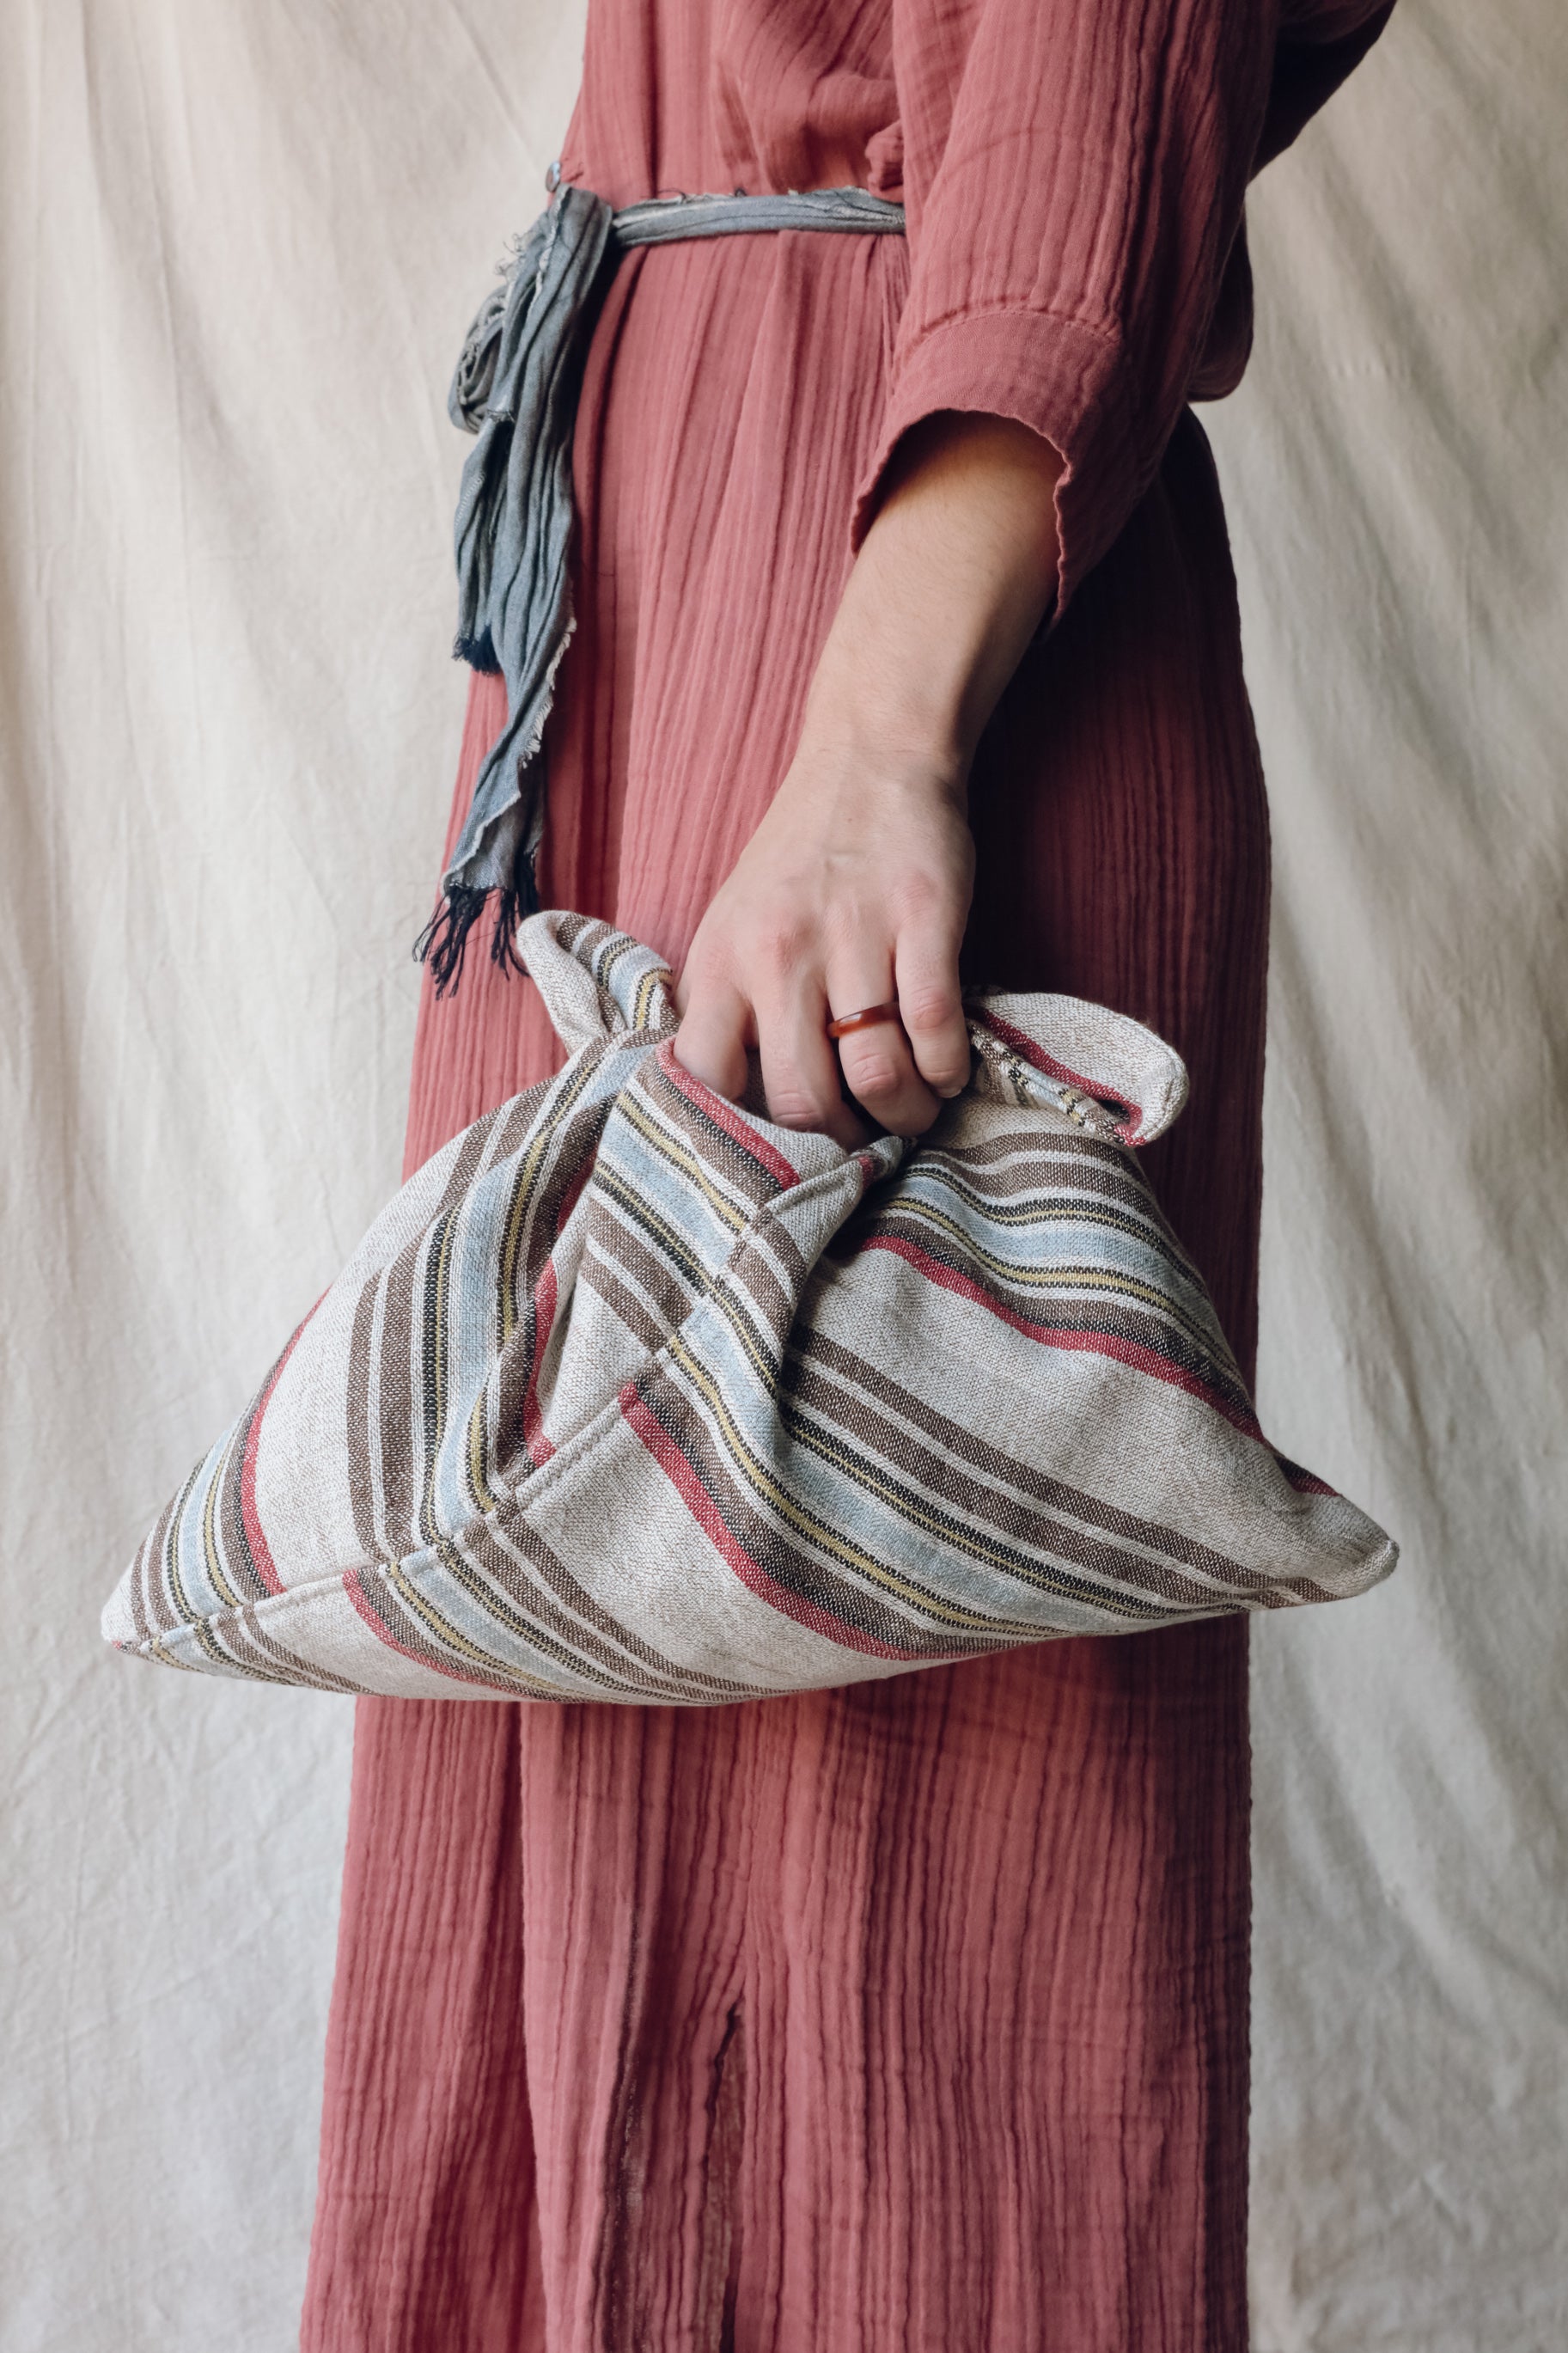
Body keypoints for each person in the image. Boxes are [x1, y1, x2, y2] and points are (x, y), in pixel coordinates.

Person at [302, 2, 1397, 2345]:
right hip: (655, 544)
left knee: (938, 1905)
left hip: (887, 594)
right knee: (570, 1659)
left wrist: (880, 730)